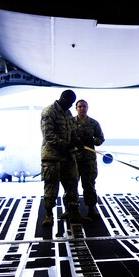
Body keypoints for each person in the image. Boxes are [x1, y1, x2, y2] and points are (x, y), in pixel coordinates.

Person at [40, 89, 86, 225]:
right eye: (71, 102)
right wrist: (67, 145)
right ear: (64, 99)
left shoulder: (67, 113)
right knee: (51, 187)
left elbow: (71, 131)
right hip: (52, 157)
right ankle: (49, 215)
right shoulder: (48, 112)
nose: (72, 106)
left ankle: (74, 213)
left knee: (72, 185)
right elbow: (48, 136)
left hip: (68, 157)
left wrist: (77, 141)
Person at [72, 99, 105, 218]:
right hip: (74, 159)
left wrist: (92, 140)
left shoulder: (93, 123)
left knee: (89, 184)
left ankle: (91, 208)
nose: (82, 108)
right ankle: (73, 209)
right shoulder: (70, 123)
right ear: (76, 108)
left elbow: (101, 138)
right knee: (72, 185)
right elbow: (66, 138)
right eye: (80, 106)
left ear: (87, 108)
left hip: (88, 159)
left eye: (84, 106)